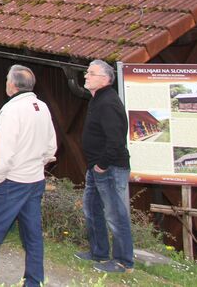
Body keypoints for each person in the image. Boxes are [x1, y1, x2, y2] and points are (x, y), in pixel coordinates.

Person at [0, 65, 56, 287]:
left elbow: (4, 153)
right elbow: (51, 148)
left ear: (12, 84)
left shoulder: (11, 110)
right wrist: (35, 163)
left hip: (11, 181)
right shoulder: (42, 107)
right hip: (35, 179)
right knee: (32, 237)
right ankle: (34, 282)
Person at [77, 59, 134, 273]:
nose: (86, 76)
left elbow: (116, 140)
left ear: (105, 79)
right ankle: (99, 252)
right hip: (96, 167)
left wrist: (102, 164)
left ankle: (123, 261)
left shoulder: (108, 102)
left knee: (115, 214)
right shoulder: (98, 100)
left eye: (91, 73)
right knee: (92, 208)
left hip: (109, 167)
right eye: (87, 72)